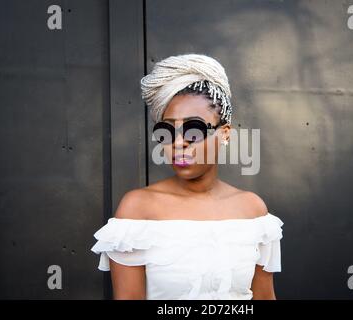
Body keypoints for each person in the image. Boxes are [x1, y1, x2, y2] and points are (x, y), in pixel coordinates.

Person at [91, 53, 284, 300]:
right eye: (167, 130)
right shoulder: (137, 211)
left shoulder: (252, 210)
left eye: (194, 129)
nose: (178, 142)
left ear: (224, 133)